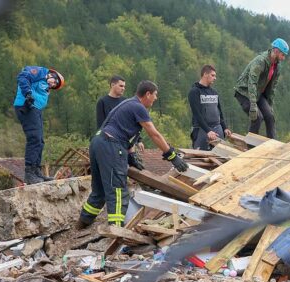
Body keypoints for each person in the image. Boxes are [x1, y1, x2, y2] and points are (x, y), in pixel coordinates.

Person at [78, 81, 188, 228]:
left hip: (98, 142)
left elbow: (125, 131)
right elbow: (153, 134)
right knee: (117, 190)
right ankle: (116, 231)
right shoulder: (138, 107)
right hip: (111, 145)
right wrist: (171, 155)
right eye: (155, 95)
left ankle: (82, 224)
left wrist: (130, 155)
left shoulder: (127, 104)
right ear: (147, 94)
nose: (156, 98)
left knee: (100, 190)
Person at [12, 66, 65, 184]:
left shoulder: (45, 86)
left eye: (55, 86)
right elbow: (23, 76)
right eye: (55, 82)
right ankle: (29, 173)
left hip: (36, 110)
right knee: (34, 138)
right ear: (52, 74)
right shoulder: (41, 72)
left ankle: (36, 171)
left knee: (40, 141)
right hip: (27, 106)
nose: (53, 85)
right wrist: (28, 93)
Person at [234, 38, 289, 139]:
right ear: (276, 51)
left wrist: (270, 105)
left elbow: (272, 88)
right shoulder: (260, 61)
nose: (283, 58)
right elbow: (252, 82)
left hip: (258, 93)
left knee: (270, 117)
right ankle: (251, 146)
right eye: (283, 55)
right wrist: (253, 105)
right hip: (244, 92)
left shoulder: (277, 67)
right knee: (257, 117)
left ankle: (272, 144)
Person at [96, 75, 145, 151]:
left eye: (124, 87)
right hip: (109, 142)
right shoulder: (102, 102)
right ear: (112, 85)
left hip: (125, 142)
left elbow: (132, 123)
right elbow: (101, 124)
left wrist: (138, 140)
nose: (123, 88)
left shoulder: (126, 101)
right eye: (121, 86)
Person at [189, 65, 230, 150]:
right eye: (212, 75)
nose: (215, 78)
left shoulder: (214, 92)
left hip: (217, 129)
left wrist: (225, 127)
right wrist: (208, 130)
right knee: (201, 158)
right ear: (205, 74)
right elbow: (197, 114)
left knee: (220, 158)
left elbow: (219, 112)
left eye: (215, 76)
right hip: (201, 130)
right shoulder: (194, 92)